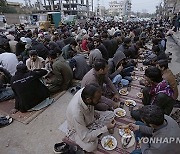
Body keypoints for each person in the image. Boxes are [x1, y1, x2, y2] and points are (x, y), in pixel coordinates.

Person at [66, 84, 115, 152]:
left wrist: (94, 113)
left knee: (111, 114)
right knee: (91, 147)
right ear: (88, 100)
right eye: (98, 99)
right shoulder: (76, 113)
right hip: (77, 129)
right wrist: (105, 128)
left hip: (90, 118)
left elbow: (91, 105)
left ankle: (94, 131)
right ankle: (94, 131)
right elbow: (85, 137)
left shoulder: (85, 92)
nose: (100, 100)